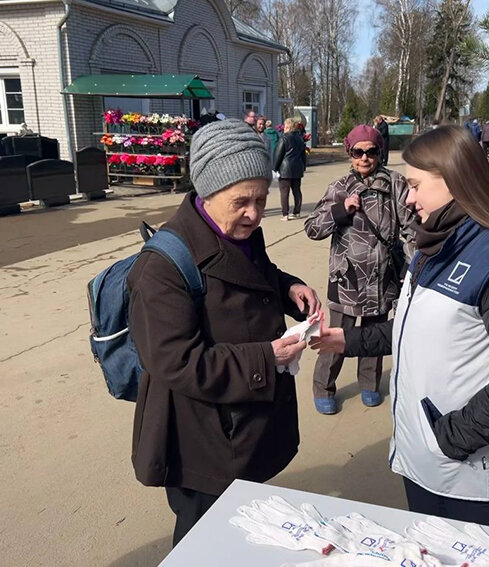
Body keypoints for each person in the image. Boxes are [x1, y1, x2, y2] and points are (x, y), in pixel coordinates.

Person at [311, 125, 489, 529]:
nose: (408, 197)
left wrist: (449, 439)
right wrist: (348, 340)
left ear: (455, 181)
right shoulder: (437, 243)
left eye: (417, 185)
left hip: (467, 477)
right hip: (421, 462)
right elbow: (412, 325)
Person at [127, 119, 322, 546]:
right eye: (242, 202)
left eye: (261, 198)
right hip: (203, 442)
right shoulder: (161, 268)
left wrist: (288, 287)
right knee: (207, 542)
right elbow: (175, 362)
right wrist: (267, 358)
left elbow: (255, 276)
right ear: (207, 194)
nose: (255, 213)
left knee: (244, 531)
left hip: (243, 427)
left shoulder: (237, 231)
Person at [304, 124, 415, 415]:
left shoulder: (395, 184)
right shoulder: (339, 187)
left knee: (374, 336)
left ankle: (369, 384)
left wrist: (414, 265)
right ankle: (323, 387)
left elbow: (412, 228)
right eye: (358, 152)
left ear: (380, 153)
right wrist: (341, 211)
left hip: (382, 279)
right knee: (336, 336)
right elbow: (312, 228)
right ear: (349, 153)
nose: (364, 158)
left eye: (371, 151)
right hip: (347, 280)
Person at [273, 118, 307, 221]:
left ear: (288, 127)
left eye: (285, 126)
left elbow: (278, 154)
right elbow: (303, 155)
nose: (284, 129)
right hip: (297, 168)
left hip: (285, 168)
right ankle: (297, 212)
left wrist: (275, 167)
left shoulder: (284, 138)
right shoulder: (300, 139)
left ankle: (285, 214)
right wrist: (303, 167)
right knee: (297, 191)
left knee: (284, 192)